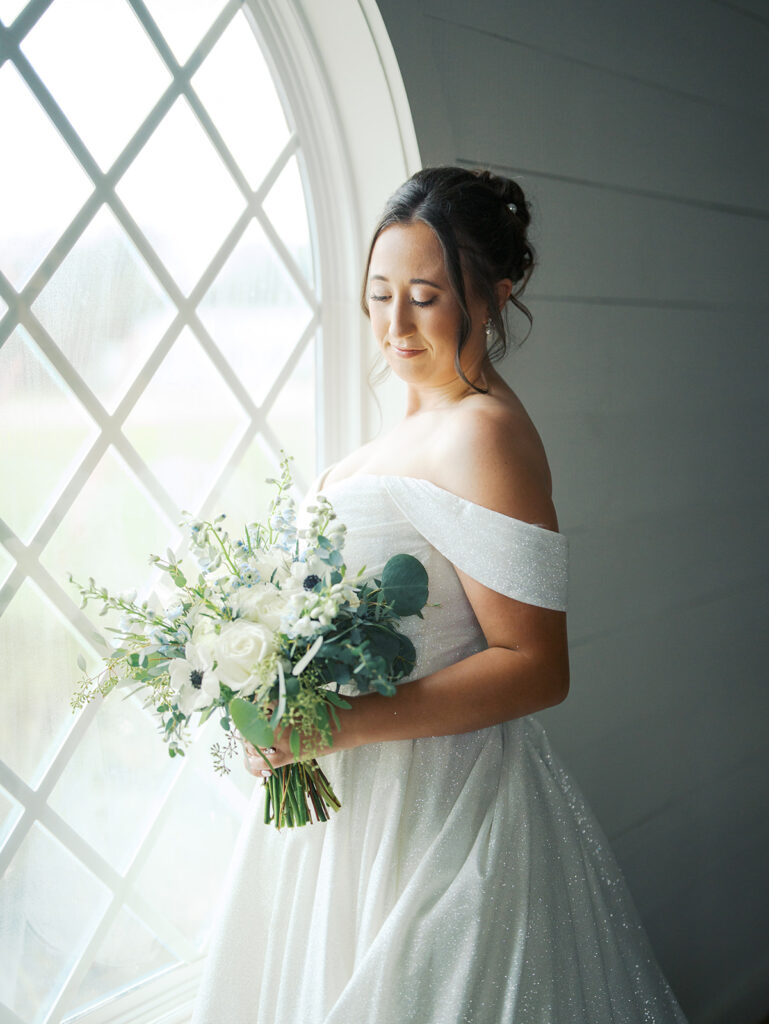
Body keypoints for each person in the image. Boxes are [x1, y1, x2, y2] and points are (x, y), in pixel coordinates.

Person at [191, 166, 688, 1023]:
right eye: (379, 293)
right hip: (357, 810)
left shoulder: (481, 434)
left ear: (493, 298)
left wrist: (334, 724)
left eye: (423, 295)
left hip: (437, 819)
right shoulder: (420, 427)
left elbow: (536, 668)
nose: (393, 324)